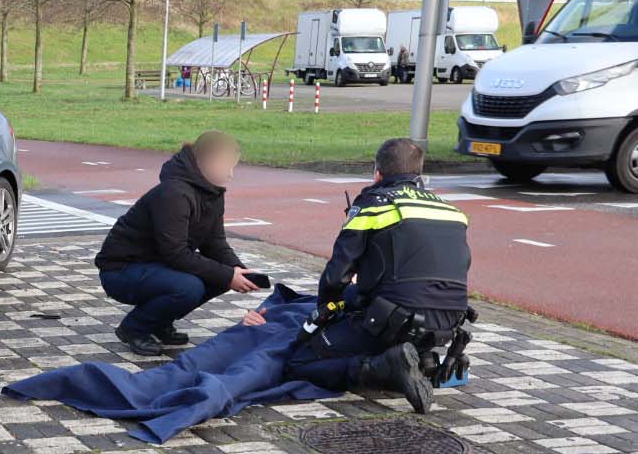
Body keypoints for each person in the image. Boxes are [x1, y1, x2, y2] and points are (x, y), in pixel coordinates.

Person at [271, 137, 470, 414]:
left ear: (377, 172)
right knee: (363, 298)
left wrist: (324, 314)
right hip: (448, 322)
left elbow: (337, 274)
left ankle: (383, 368)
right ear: (419, 174)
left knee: (300, 363)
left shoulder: (374, 203)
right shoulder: (452, 211)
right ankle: (416, 356)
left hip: (395, 317)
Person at [94, 130, 262, 357]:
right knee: (189, 286)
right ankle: (135, 328)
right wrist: (226, 274)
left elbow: (215, 243)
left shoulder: (212, 193)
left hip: (158, 267)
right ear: (204, 162)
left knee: (222, 275)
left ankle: (159, 322)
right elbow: (176, 253)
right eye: (226, 167)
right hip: (122, 270)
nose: (230, 174)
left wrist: (238, 271)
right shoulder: (173, 193)